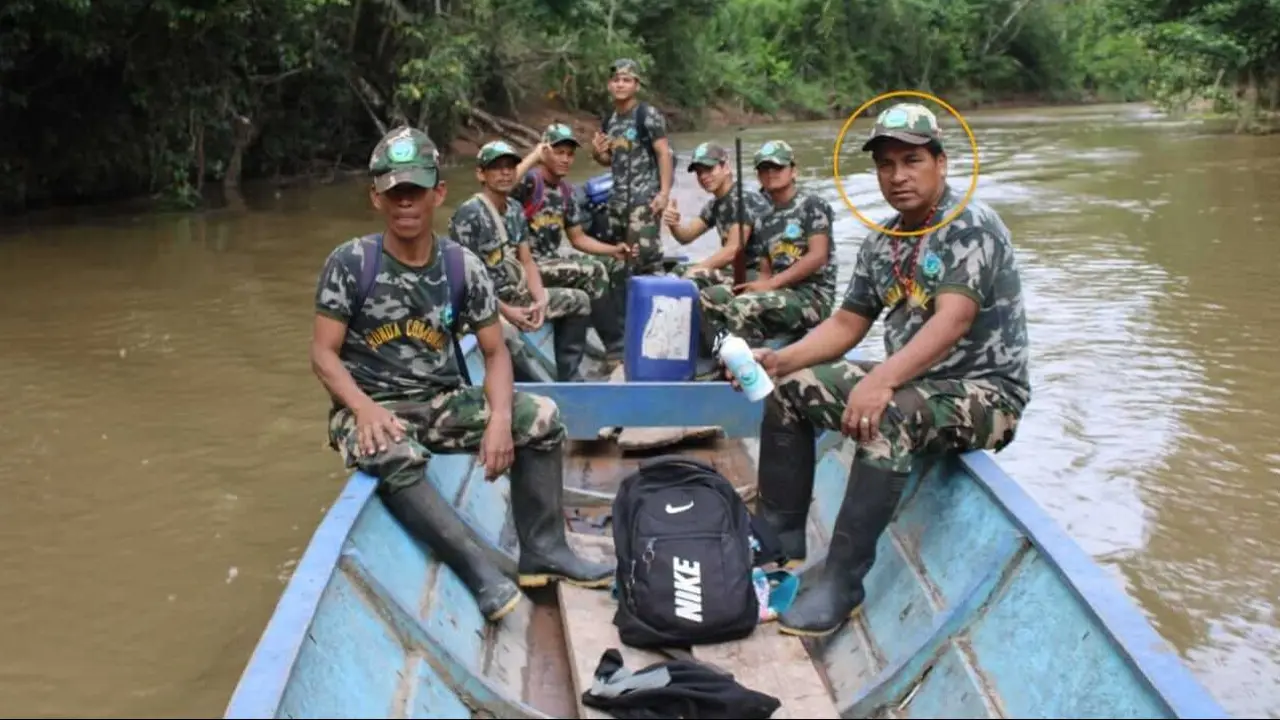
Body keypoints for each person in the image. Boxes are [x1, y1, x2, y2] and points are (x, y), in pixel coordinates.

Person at [724, 103, 1031, 638]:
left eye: (912, 160)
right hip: (914, 381)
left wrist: (881, 379)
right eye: (887, 165)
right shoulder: (883, 240)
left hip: (984, 393)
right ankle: (781, 535)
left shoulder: (972, 226)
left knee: (885, 415)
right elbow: (846, 322)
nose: (898, 176)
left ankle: (843, 583)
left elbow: (953, 320)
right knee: (790, 388)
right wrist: (779, 359)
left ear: (941, 163)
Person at [310, 127, 614, 625]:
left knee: (540, 416)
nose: (405, 203)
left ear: (438, 193)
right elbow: (324, 356)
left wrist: (497, 420)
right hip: (370, 408)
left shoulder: (461, 267)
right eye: (394, 193)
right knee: (390, 449)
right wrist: (363, 408)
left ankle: (544, 553)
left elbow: (494, 354)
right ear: (376, 198)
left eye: (415, 191)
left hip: (441, 402)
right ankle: (478, 571)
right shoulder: (350, 264)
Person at [449, 140, 593, 382]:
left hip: (513, 294)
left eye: (510, 167)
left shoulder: (515, 209)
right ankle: (533, 388)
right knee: (506, 334)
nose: (505, 173)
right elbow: (465, 284)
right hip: (481, 305)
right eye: (497, 167)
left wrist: (539, 300)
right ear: (481, 174)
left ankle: (570, 379)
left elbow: (526, 261)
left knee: (579, 301)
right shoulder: (469, 215)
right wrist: (508, 312)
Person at [512, 124, 634, 366]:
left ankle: (620, 335)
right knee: (593, 272)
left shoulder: (567, 192)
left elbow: (578, 239)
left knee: (613, 266)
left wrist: (614, 250)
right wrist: (534, 156)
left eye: (569, 154)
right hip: (526, 267)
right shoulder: (529, 182)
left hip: (551, 261)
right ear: (545, 152)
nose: (566, 159)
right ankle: (616, 351)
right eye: (559, 152)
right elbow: (503, 186)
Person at [701, 140, 837, 347]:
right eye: (764, 168)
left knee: (741, 306)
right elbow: (766, 271)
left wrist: (771, 285)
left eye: (778, 167)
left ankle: (751, 364)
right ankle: (720, 355)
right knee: (710, 296)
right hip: (780, 291)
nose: (771, 172)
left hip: (813, 297)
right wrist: (756, 287)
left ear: (793, 171)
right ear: (758, 176)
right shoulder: (763, 218)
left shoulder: (813, 205)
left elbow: (818, 256)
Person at [590, 58, 673, 275]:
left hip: (643, 200)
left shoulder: (647, 115)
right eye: (616, 80)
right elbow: (610, 160)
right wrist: (597, 153)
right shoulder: (610, 120)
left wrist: (663, 194)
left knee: (646, 257)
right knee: (621, 256)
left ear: (636, 85)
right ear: (609, 85)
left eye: (626, 80)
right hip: (617, 201)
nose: (620, 84)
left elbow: (664, 154)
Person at [661, 141, 773, 291]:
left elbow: (732, 250)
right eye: (699, 172)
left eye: (709, 169)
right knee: (678, 271)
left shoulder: (743, 197)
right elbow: (685, 236)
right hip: (739, 269)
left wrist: (696, 270)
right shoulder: (716, 204)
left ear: (725, 167)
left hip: (760, 272)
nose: (703, 176)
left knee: (694, 277)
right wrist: (673, 224)